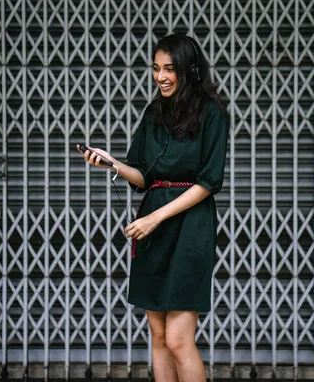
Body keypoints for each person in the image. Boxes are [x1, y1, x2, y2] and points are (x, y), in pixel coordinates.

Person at [77, 34, 229, 382]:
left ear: (189, 71)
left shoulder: (212, 113)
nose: (160, 76)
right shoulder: (154, 112)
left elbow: (208, 182)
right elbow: (143, 174)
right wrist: (112, 164)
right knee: (158, 337)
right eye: (156, 68)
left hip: (189, 226)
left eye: (169, 69)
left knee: (177, 339)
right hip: (152, 226)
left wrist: (155, 218)